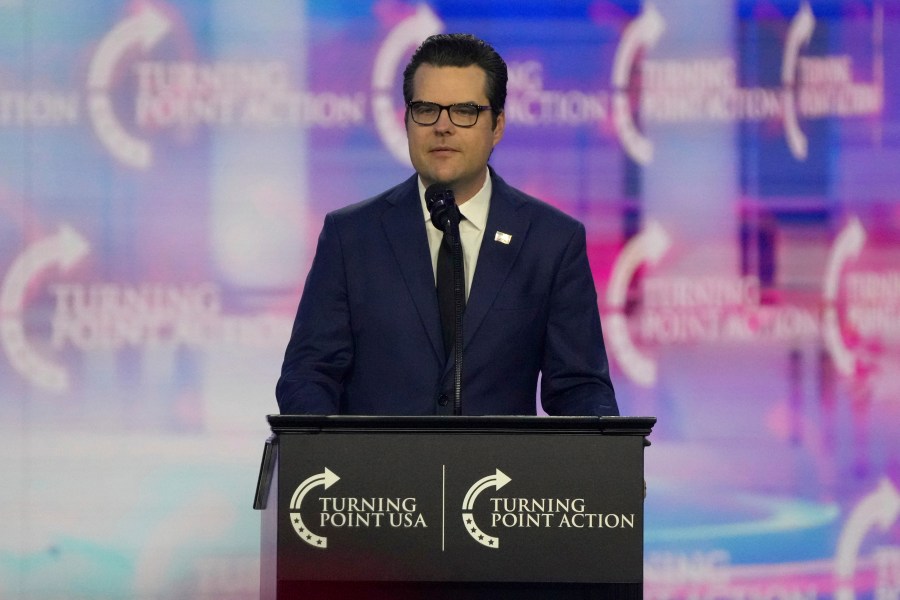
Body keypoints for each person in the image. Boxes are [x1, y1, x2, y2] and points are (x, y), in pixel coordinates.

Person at [276, 33, 618, 417]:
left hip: (501, 475)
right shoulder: (351, 237)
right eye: (426, 109)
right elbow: (308, 376)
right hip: (379, 475)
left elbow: (579, 387)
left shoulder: (551, 241)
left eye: (465, 111)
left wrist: (603, 454)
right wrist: (330, 455)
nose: (443, 126)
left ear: (498, 125)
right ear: (406, 121)